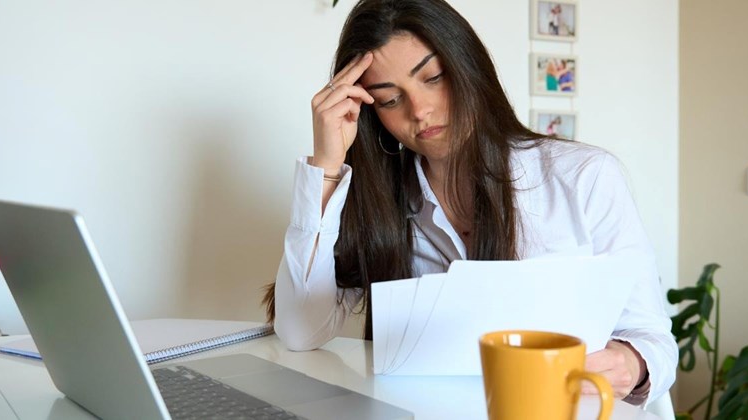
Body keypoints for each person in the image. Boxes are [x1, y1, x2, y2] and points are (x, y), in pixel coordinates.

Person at [263, 0, 676, 406]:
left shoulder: (584, 176)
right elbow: (301, 331)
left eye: (434, 77)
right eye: (389, 100)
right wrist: (328, 164)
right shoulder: (382, 204)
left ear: (468, 66)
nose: (420, 110)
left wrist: (631, 362)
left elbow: (653, 339)